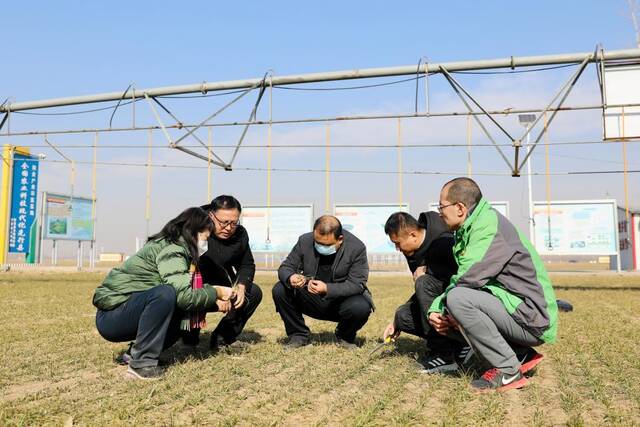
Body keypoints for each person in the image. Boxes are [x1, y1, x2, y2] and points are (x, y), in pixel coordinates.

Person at [428, 177, 558, 391]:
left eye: (441, 206)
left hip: (532, 316)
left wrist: (437, 306)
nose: (440, 212)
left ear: (460, 208)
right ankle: (518, 353)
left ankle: (508, 370)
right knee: (456, 303)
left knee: (458, 298)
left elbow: (468, 277)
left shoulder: (487, 227)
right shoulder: (471, 225)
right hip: (516, 308)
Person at [93, 207, 234, 380]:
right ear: (193, 232)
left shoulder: (173, 246)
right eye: (205, 237)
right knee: (165, 294)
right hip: (112, 317)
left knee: (174, 302)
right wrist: (217, 291)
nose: (206, 243)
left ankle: (134, 354)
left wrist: (213, 300)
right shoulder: (172, 250)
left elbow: (184, 286)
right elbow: (185, 295)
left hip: (122, 312)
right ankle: (141, 365)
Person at [382, 211, 471, 373]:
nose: (397, 248)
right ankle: (460, 344)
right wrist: (395, 322)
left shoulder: (444, 241)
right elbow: (425, 292)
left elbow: (463, 279)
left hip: (460, 300)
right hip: (439, 300)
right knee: (402, 316)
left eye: (398, 243)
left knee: (423, 281)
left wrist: (428, 273)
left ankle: (444, 355)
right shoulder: (412, 252)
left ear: (413, 235)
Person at [272, 215, 373, 349]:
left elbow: (357, 284)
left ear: (340, 239)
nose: (321, 247)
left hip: (340, 301)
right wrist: (291, 277)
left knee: (361, 307)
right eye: (317, 243)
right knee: (280, 289)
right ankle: (298, 335)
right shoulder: (305, 241)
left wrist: (327, 289)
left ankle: (345, 336)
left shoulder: (356, 247)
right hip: (311, 296)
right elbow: (285, 267)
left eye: (327, 245)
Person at [198, 195, 263, 352]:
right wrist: (210, 294)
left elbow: (247, 264)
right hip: (194, 288)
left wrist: (241, 286)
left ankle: (223, 337)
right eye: (224, 222)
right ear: (210, 216)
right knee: (188, 340)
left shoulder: (240, 235)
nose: (228, 228)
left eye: (234, 223)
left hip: (224, 288)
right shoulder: (195, 229)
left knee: (252, 292)